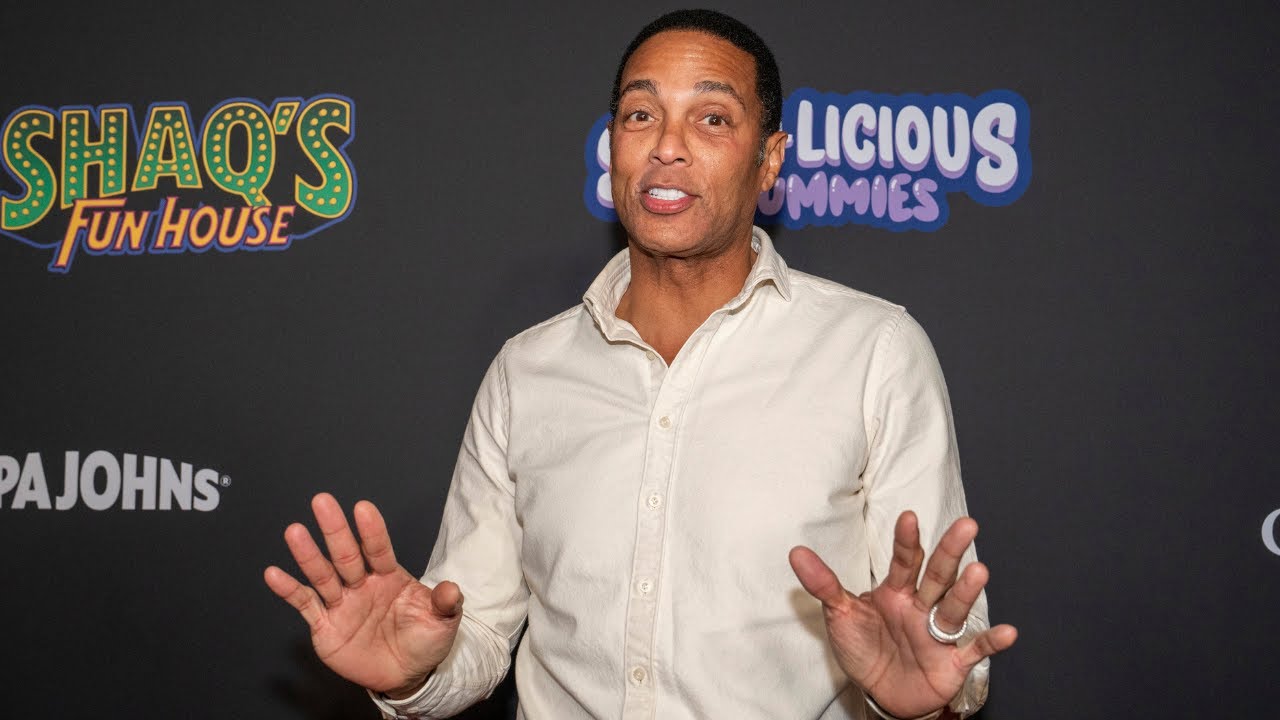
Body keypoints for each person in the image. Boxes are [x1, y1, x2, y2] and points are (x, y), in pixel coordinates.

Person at [264, 9, 1017, 720]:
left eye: (712, 118)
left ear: (769, 161)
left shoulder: (874, 351)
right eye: (640, 114)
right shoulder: (527, 371)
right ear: (613, 147)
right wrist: (413, 674)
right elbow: (477, 632)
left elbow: (941, 643)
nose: (667, 146)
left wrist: (922, 696)